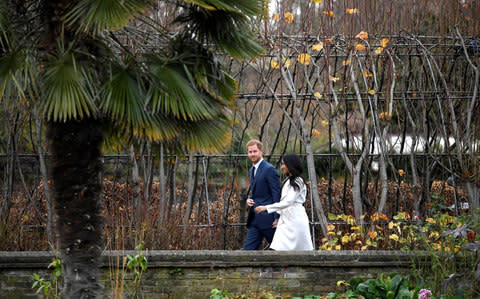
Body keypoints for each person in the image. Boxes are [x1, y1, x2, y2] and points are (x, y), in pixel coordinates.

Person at [254, 153, 314, 250]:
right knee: (276, 249)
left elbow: (288, 202)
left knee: (300, 252)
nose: (282, 167)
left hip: (296, 220)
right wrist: (278, 217)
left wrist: (266, 207)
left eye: (283, 164)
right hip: (285, 221)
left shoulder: (298, 181)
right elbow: (283, 201)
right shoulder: (288, 180)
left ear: (290, 165)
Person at [243, 139, 281, 250]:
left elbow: (276, 194)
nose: (252, 154)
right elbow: (258, 192)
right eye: (250, 152)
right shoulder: (252, 170)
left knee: (278, 251)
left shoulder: (269, 169)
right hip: (255, 219)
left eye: (255, 151)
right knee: (248, 252)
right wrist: (249, 199)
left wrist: (277, 217)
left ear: (261, 151)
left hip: (269, 219)